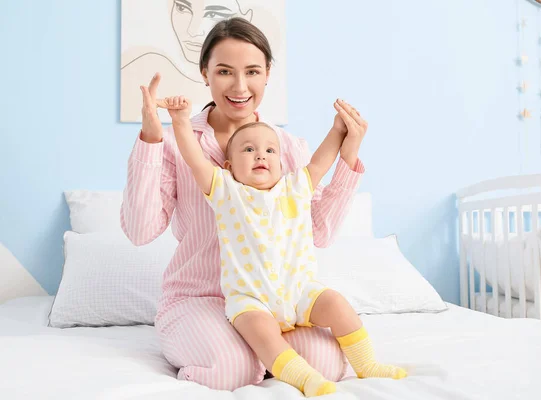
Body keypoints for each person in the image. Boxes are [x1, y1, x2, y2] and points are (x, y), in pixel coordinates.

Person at [120, 17, 365, 391]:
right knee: (231, 368)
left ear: (268, 74)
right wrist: (151, 140)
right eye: (224, 72)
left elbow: (320, 232)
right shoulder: (178, 143)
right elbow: (139, 232)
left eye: (252, 71)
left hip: (276, 302)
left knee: (328, 364)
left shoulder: (287, 148)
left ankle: (262, 353)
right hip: (199, 299)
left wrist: (346, 157)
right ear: (205, 74)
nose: (239, 86)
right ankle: (244, 355)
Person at [159, 95, 408, 396]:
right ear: (228, 165)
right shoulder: (225, 191)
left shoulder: (295, 187)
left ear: (281, 160)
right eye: (248, 149)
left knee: (338, 305)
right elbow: (195, 159)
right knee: (262, 333)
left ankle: (367, 364)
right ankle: (304, 379)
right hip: (250, 299)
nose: (260, 155)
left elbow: (320, 161)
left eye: (269, 150)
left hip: (300, 291)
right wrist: (181, 122)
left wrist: (338, 130)